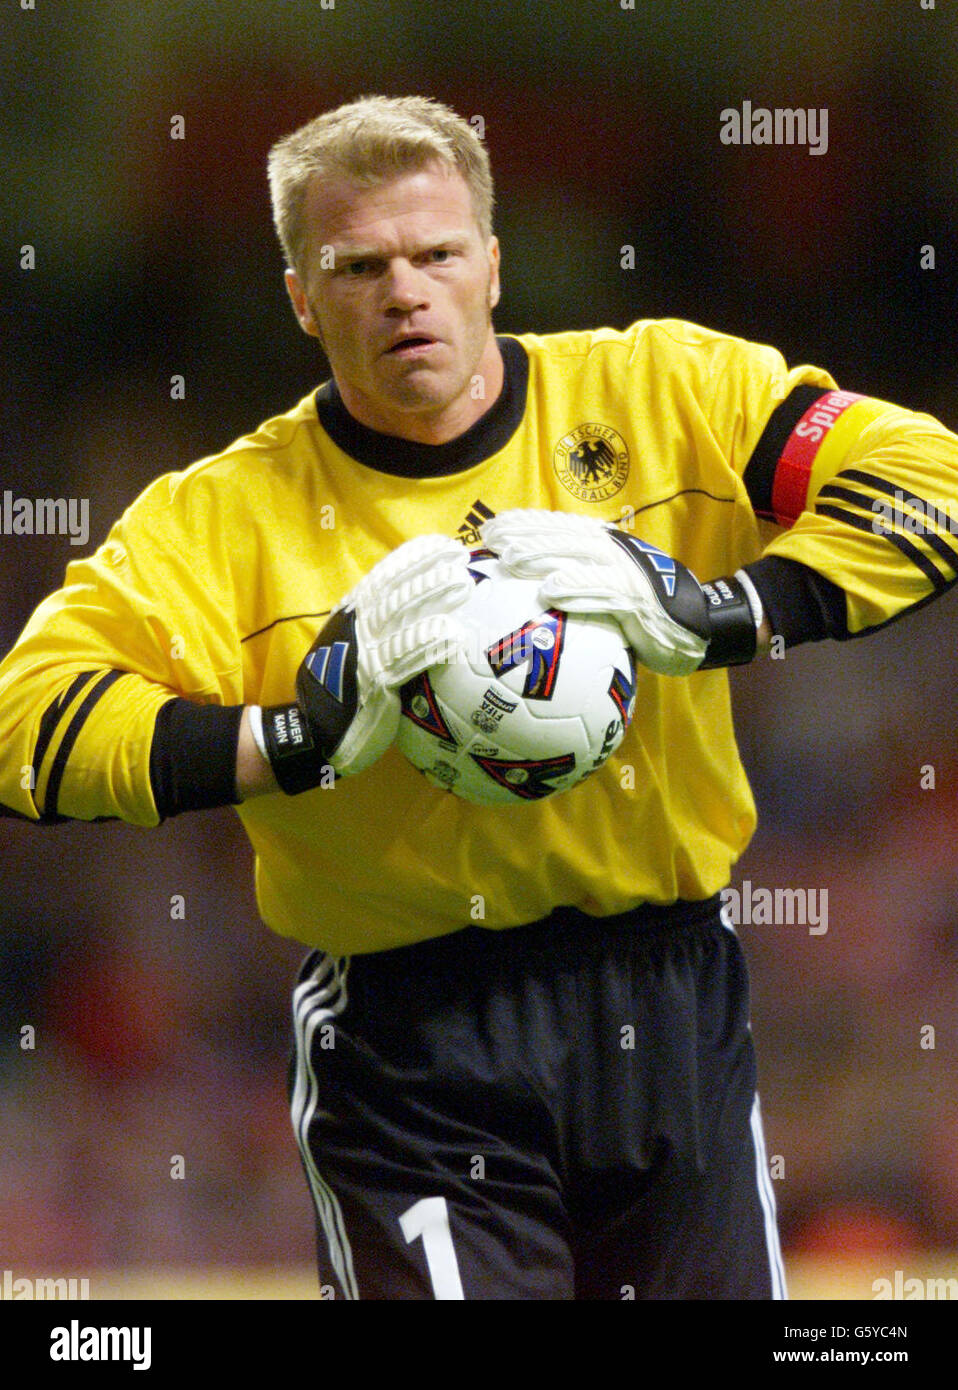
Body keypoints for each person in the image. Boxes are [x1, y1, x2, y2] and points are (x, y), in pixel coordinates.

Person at [1, 94, 956, 1301]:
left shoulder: (662, 395)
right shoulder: (220, 520)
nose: (406, 291)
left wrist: (725, 612)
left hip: (670, 998)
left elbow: (933, 482)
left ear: (492, 267)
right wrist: (288, 740)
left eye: (438, 254)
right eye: (360, 266)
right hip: (408, 1040)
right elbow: (23, 724)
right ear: (302, 295)